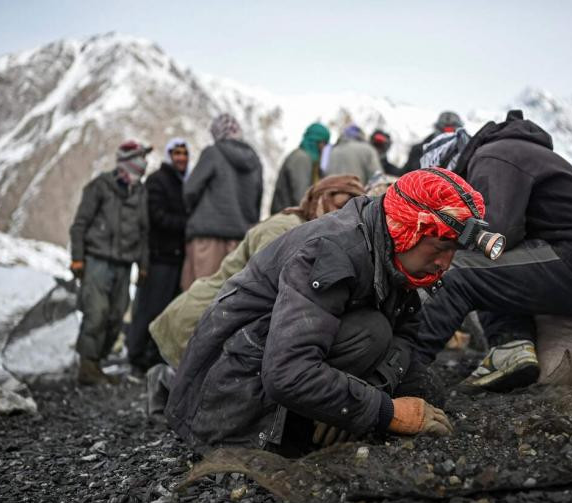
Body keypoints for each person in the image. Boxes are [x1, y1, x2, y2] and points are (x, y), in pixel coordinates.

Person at [165, 168, 485, 453]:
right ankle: (296, 429)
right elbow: (287, 373)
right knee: (372, 332)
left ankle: (324, 414)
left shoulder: (391, 249)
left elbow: (406, 335)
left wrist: (363, 396)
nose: (446, 262)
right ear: (407, 229)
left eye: (452, 251)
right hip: (231, 395)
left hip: (279, 362)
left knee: (424, 388)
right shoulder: (331, 251)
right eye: (441, 248)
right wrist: (384, 412)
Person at [417, 110, 572, 392]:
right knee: (485, 271)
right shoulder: (501, 152)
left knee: (456, 270)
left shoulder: (491, 157)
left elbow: (497, 233)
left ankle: (405, 366)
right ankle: (511, 348)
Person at [144, 176, 365, 419]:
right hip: (205, 312)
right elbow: (269, 284)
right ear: (320, 198)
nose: (343, 215)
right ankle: (164, 380)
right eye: (339, 204)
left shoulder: (308, 229)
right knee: (210, 382)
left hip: (223, 311)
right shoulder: (284, 227)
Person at [68, 140, 151, 385]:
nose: (143, 164)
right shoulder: (100, 186)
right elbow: (80, 224)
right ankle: (87, 366)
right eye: (139, 159)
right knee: (97, 312)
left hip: (124, 265)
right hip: (97, 261)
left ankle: (98, 363)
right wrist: (77, 258)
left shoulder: (140, 192)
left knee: (115, 316)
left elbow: (144, 232)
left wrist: (143, 264)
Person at [127, 138, 190, 373]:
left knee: (166, 311)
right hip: (159, 257)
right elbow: (157, 217)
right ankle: (136, 357)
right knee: (149, 309)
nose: (181, 157)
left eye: (184, 153)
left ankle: (153, 358)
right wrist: (189, 225)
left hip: (176, 258)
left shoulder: (182, 182)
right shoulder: (158, 181)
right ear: (168, 156)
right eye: (177, 153)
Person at [181, 113, 263, 290]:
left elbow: (190, 190)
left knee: (198, 295)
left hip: (207, 236)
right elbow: (256, 200)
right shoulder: (254, 160)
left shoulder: (213, 152)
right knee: (227, 299)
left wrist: (192, 211)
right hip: (238, 240)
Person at [270, 123, 331, 214]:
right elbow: (301, 197)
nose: (324, 149)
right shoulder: (301, 158)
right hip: (287, 218)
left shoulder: (308, 159)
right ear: (317, 142)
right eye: (324, 143)